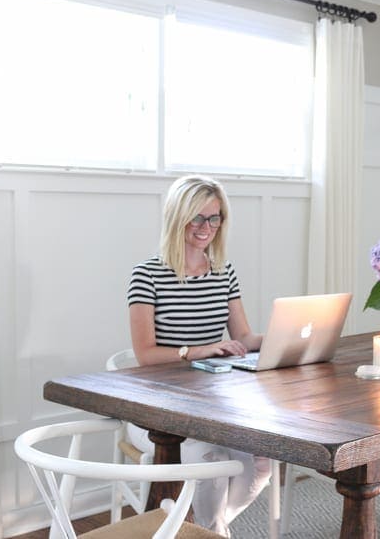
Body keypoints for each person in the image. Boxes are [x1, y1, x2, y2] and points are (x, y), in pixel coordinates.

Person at [126, 174, 270, 536]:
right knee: (210, 465)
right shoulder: (148, 274)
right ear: (178, 217)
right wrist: (196, 351)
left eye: (215, 218)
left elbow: (243, 337)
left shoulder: (223, 271)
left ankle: (208, 530)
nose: (207, 228)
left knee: (262, 461)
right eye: (198, 217)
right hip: (156, 410)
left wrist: (279, 338)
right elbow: (144, 354)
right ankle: (212, 531)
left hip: (214, 405)